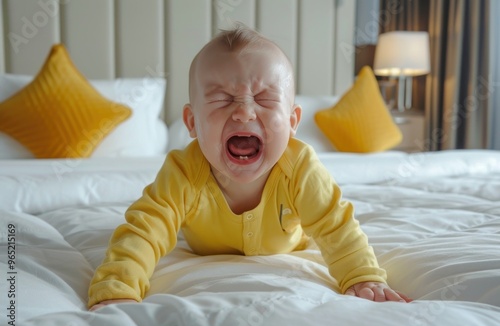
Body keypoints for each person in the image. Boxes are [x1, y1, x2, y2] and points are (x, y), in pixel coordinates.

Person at [88, 25, 411, 311]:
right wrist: (118, 289)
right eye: (222, 99)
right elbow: (145, 231)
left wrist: (362, 276)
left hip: (291, 245)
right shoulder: (184, 171)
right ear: (192, 122)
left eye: (265, 99)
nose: (244, 112)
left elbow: (335, 225)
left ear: (292, 121)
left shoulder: (298, 166)